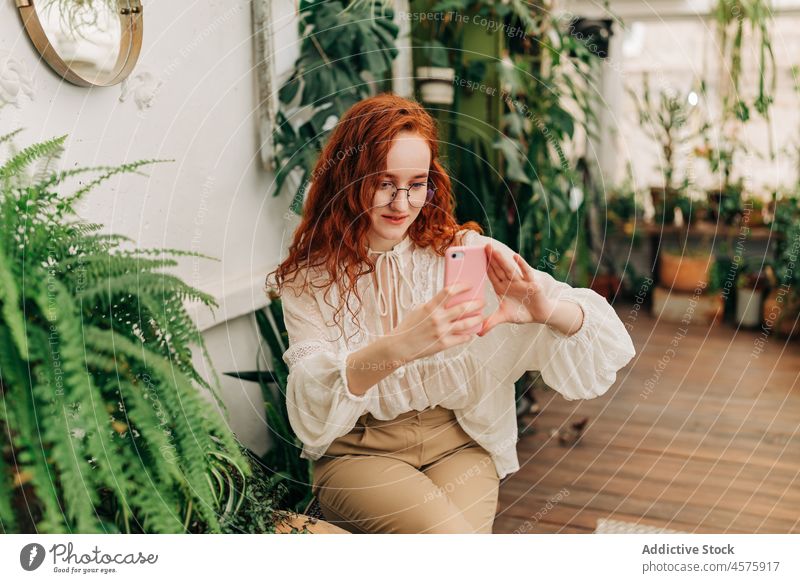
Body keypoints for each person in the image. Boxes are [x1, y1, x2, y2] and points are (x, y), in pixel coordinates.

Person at [266, 93, 636, 534]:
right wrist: (402, 345)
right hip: (361, 454)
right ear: (348, 179)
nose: (401, 204)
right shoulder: (310, 281)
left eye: (416, 183)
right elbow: (310, 398)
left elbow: (603, 337)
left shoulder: (462, 252)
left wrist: (547, 309)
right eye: (384, 183)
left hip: (460, 444)